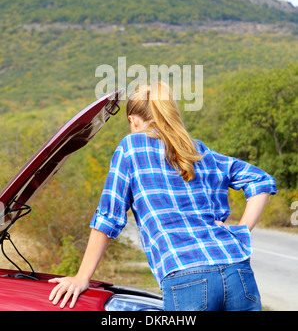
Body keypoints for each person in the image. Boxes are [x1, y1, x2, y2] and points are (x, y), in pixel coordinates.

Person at [49, 82, 277, 311]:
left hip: (186, 274)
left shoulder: (130, 148)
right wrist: (242, 230)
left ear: (132, 119)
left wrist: (82, 277)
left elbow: (108, 218)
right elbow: (260, 180)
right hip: (236, 268)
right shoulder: (197, 149)